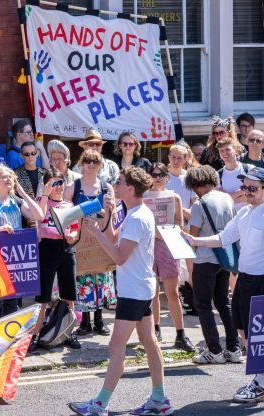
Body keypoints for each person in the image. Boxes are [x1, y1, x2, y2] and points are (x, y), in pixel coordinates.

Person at [69, 167, 173, 416]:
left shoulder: (137, 218)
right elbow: (114, 238)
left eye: (121, 182)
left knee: (116, 348)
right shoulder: (134, 212)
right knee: (149, 341)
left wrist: (93, 232)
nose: (116, 184)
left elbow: (118, 256)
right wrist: (110, 215)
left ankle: (100, 405)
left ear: (131, 189)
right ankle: (159, 399)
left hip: (134, 291)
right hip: (141, 287)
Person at [183, 167, 264, 403]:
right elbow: (223, 238)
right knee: (242, 331)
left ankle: (260, 384)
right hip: (244, 278)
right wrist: (194, 240)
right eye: (245, 187)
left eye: (253, 188)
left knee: (258, 336)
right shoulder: (243, 213)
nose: (247, 192)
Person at [184, 165, 242, 364]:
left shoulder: (199, 205)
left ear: (193, 183)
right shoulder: (226, 198)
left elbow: (193, 237)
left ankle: (214, 350)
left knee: (203, 305)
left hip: (205, 259)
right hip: (224, 257)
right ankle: (234, 349)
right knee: (223, 302)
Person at [0, 165, 45, 323]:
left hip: (15, 259)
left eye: (10, 176)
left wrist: (24, 195)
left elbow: (39, 215)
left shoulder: (16, 201)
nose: (8, 179)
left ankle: (10, 342)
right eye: (4, 176)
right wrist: (0, 229)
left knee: (12, 302)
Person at [144, 163, 195, 351]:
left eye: (161, 174)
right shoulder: (143, 197)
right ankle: (155, 329)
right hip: (149, 247)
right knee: (153, 292)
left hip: (167, 245)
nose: (157, 177)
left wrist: (165, 232)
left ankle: (180, 334)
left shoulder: (174, 197)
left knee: (172, 292)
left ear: (167, 177)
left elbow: (180, 225)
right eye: (154, 174)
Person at [65, 150, 116, 336]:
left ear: (100, 164)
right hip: (80, 239)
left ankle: (100, 319)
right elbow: (65, 213)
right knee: (83, 279)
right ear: (81, 163)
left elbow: (113, 215)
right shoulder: (73, 186)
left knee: (100, 279)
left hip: (101, 237)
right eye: (87, 160)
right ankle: (85, 321)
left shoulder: (107, 187)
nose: (91, 164)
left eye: (95, 161)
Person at [31, 168, 79, 350]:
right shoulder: (41, 202)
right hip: (47, 248)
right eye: (53, 183)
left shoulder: (69, 204)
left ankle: (70, 332)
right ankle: (35, 335)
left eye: (61, 183)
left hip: (66, 248)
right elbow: (40, 216)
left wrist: (72, 236)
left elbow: (74, 229)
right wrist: (45, 193)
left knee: (69, 294)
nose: (58, 187)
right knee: (43, 296)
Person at [216, 138, 251, 210]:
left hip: (248, 217)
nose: (224, 153)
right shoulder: (217, 175)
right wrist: (240, 192)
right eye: (221, 151)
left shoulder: (249, 169)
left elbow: (253, 195)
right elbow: (220, 199)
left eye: (228, 149)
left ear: (235, 150)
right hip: (228, 218)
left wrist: (228, 198)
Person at [166, 143, 196, 218]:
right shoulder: (163, 177)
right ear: (169, 157)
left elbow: (195, 201)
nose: (176, 161)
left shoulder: (190, 177)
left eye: (179, 158)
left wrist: (189, 212)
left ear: (185, 159)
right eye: (173, 157)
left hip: (186, 224)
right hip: (167, 223)